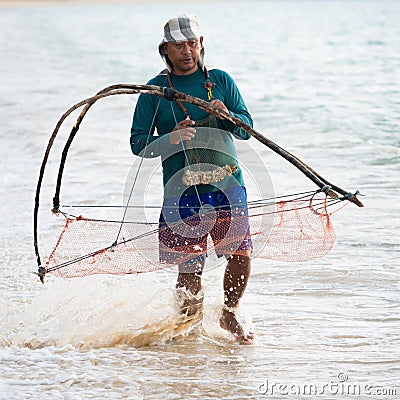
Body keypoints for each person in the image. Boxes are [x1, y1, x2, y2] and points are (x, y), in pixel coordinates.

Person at [130, 14, 254, 344]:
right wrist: (170, 138)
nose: (186, 51)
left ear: (201, 44)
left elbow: (246, 129)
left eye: (192, 43)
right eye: (178, 45)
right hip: (181, 193)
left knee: (240, 255)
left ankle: (229, 313)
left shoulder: (221, 81)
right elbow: (138, 144)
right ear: (165, 50)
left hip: (227, 185)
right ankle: (188, 329)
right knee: (189, 268)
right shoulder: (153, 92)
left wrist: (227, 116)